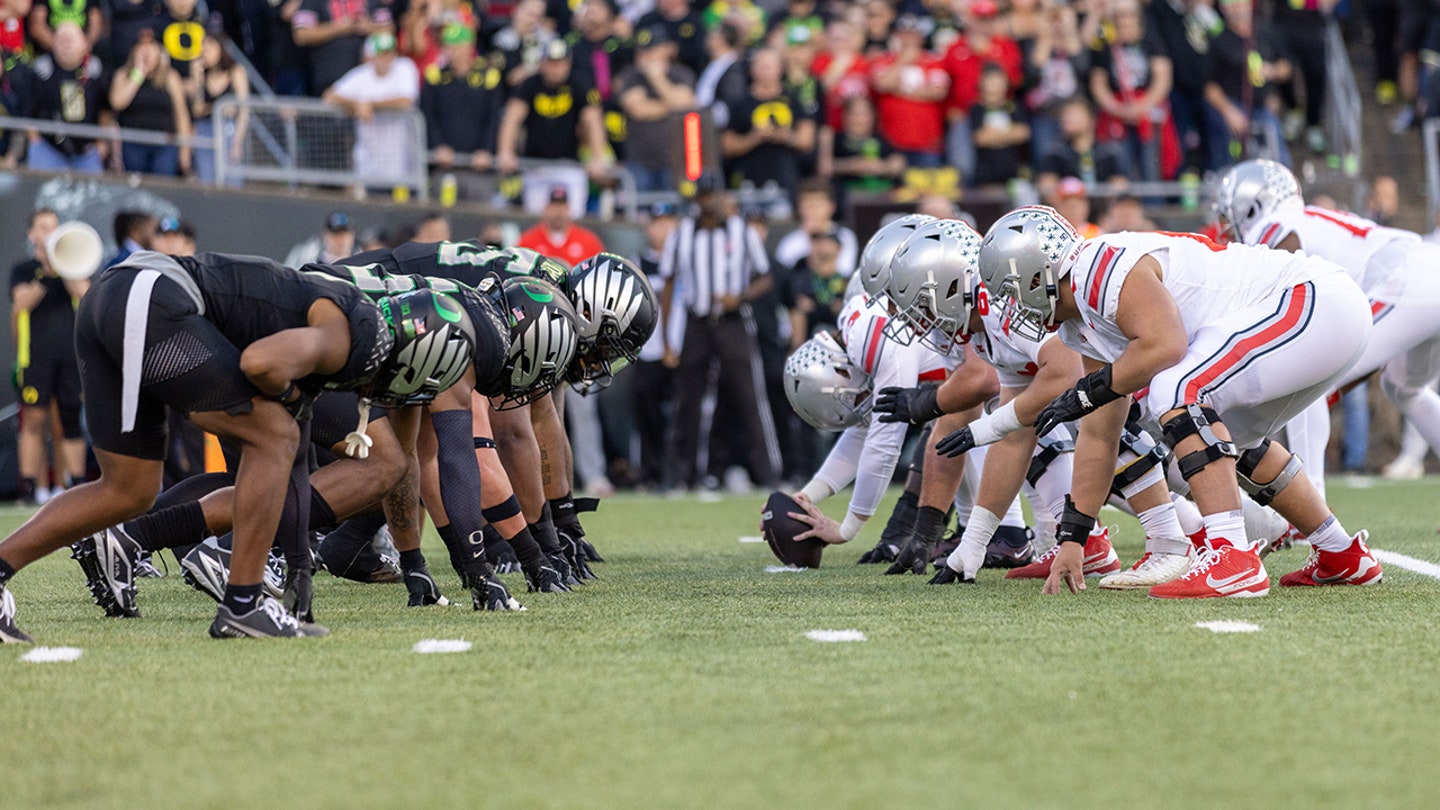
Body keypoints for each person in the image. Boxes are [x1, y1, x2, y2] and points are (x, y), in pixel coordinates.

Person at [0, 251, 408, 643]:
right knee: (275, 435)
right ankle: (243, 605)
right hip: (148, 293)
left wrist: (300, 565)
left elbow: (295, 462)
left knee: (129, 489)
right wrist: (289, 397)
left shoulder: (331, 312)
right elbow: (257, 363)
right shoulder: (351, 330)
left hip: (117, 297)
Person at [977, 206, 1379, 599]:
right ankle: (1340, 553)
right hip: (1318, 314)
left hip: (1315, 299)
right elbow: (1100, 438)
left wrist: (1090, 390)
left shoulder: (1095, 268)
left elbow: (1166, 346)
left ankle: (1231, 556)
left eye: (1011, 291)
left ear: (1039, 273)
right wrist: (1073, 539)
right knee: (1230, 441)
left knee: (1173, 389)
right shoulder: (1081, 322)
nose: (1011, 306)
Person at [1216, 159, 1440, 493]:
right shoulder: (1310, 218)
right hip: (1422, 270)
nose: (1226, 225)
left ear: (1253, 204)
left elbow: (1282, 275)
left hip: (1405, 282)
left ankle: (1311, 506)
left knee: (1307, 379)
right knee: (1403, 387)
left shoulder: (1274, 225)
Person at [659, 173, 780, 491]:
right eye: (704, 196)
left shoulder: (742, 231)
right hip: (696, 323)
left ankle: (768, 474)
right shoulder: (682, 233)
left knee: (750, 397)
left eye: (715, 194)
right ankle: (680, 476)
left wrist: (739, 297)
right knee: (688, 399)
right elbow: (669, 284)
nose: (710, 201)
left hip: (733, 322)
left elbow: (764, 277)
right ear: (697, 200)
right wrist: (667, 339)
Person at [9, 210, 88, 506]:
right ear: (31, 234)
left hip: (71, 357)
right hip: (35, 357)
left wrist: (65, 266)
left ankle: (77, 486)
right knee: (34, 419)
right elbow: (21, 303)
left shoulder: (72, 267)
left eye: (53, 228)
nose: (49, 233)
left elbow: (86, 294)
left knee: (71, 420)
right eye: (43, 228)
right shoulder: (24, 269)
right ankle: (30, 488)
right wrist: (46, 272)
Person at [496, 39, 611, 185]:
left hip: (569, 164)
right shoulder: (530, 84)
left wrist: (598, 157)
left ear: (569, 63)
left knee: (573, 206)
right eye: (551, 63)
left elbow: (593, 120)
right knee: (534, 207)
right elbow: (512, 117)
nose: (556, 68)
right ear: (542, 63)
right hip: (534, 164)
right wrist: (505, 151)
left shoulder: (580, 84)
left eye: (561, 63)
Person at [322, 32, 421, 193]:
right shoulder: (361, 75)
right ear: (371, 56)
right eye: (382, 54)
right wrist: (356, 105)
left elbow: (406, 101)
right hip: (370, 166)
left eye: (390, 52)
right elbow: (329, 96)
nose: (387, 58)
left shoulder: (405, 67)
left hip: (403, 167)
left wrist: (369, 105)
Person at [1088, 0, 1171, 183]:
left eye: (1129, 15)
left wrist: (1142, 106)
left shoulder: (1151, 41)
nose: (1125, 21)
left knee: (1151, 168)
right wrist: (1118, 108)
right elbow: (1098, 82)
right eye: (1120, 16)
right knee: (1121, 167)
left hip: (1148, 115)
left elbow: (1163, 77)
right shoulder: (1106, 46)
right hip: (1116, 116)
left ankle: (1153, 207)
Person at [1202, 0, 1291, 169]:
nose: (1238, 10)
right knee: (1226, 147)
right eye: (1232, 5)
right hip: (1232, 106)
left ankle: (1283, 178)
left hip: (1261, 107)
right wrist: (1229, 111)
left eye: (1241, 4)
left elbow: (1286, 67)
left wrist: (1271, 71)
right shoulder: (1219, 41)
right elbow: (1209, 87)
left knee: (1275, 141)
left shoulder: (1266, 32)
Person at [630, 202, 681, 489]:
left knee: (683, 414)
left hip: (681, 347)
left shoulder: (686, 259)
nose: (663, 230)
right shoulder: (637, 261)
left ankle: (678, 472)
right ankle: (649, 470)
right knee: (645, 410)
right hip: (647, 349)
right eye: (657, 222)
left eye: (668, 222)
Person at [616, 24, 695, 193]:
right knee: (638, 212)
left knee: (676, 211)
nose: (645, 56)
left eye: (651, 50)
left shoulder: (681, 73)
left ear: (667, 49)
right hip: (639, 160)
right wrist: (671, 104)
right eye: (642, 50)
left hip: (675, 160)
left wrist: (656, 77)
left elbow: (684, 105)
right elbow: (638, 110)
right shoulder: (631, 75)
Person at [421, 23, 503, 177]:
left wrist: (486, 149)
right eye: (447, 46)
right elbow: (428, 115)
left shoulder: (488, 77)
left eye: (456, 46)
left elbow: (493, 117)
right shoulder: (435, 77)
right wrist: (438, 145)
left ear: (469, 47)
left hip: (479, 163)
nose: (451, 52)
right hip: (444, 161)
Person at [868, 13, 948, 168]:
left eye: (913, 34)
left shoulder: (934, 61)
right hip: (892, 141)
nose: (909, 39)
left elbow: (938, 92)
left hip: (927, 141)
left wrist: (899, 91)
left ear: (921, 37)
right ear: (896, 36)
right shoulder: (883, 60)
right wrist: (903, 60)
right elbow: (882, 84)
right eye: (904, 34)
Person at [27, 23, 108, 174]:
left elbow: (105, 109)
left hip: (87, 151)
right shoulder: (42, 71)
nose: (66, 45)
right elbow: (28, 109)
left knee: (92, 193)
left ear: (85, 44)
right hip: (48, 147)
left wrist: (101, 142)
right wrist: (35, 140)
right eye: (61, 40)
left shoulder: (95, 71)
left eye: (70, 40)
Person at [109, 32, 192, 176]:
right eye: (141, 47)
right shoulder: (123, 75)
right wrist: (139, 73)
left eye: (151, 47)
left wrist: (185, 151)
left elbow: (181, 114)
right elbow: (117, 102)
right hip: (133, 143)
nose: (146, 52)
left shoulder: (170, 78)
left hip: (165, 144)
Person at [290, 0, 394, 95]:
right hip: (327, 80)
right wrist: (339, 27)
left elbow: (389, 29)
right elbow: (301, 35)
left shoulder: (373, 2)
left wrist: (368, 27)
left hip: (366, 82)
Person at [187, 30, 249, 185]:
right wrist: (198, 79)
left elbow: (243, 110)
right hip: (206, 131)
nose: (204, 53)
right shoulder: (202, 74)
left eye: (209, 48)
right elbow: (198, 109)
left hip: (228, 130)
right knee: (206, 180)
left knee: (232, 182)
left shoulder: (236, 72)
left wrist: (237, 142)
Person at [774, 178, 857, 279]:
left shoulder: (845, 236)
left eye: (817, 205)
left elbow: (844, 273)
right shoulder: (789, 243)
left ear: (831, 206)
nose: (812, 211)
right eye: (807, 205)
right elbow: (784, 279)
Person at [967, 64, 1030, 188]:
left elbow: (1023, 133)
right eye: (990, 79)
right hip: (986, 174)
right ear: (981, 82)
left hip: (1014, 172)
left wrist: (993, 135)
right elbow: (980, 138)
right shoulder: (977, 109)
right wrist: (1010, 133)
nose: (995, 83)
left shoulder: (1014, 107)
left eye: (999, 79)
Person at [517, 185, 605, 266]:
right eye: (554, 207)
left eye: (562, 207)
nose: (559, 213)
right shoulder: (528, 240)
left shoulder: (589, 240)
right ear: (546, 208)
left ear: (569, 209)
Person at [285, 211, 359, 268]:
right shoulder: (307, 257)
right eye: (336, 234)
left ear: (353, 235)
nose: (340, 239)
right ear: (325, 234)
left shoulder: (360, 262)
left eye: (344, 234)